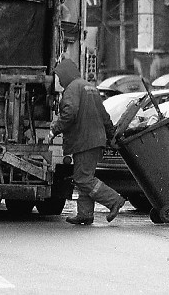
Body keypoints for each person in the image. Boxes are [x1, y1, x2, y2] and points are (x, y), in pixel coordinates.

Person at [49, 58, 126, 225]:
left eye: (60, 76)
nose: (60, 81)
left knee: (83, 179)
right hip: (95, 139)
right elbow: (104, 115)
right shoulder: (90, 87)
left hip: (84, 140)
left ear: (66, 75)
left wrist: (54, 128)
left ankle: (114, 200)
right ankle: (85, 214)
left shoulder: (72, 88)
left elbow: (69, 113)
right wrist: (111, 134)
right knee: (85, 176)